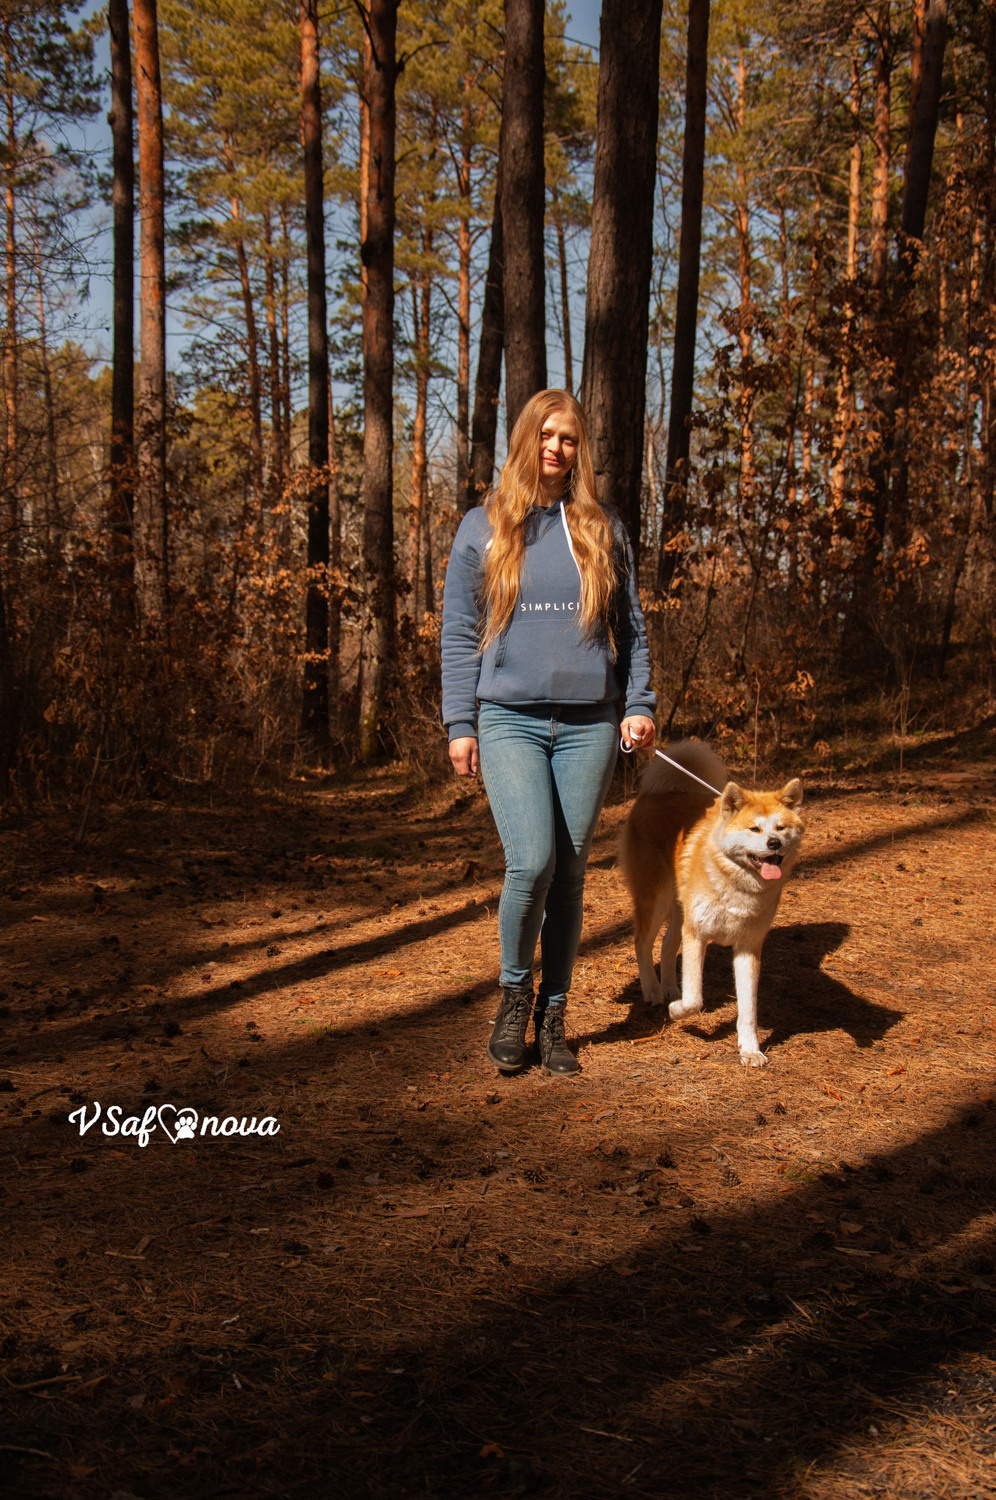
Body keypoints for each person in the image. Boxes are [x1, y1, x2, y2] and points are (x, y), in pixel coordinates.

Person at [441, 388, 656, 1076]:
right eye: (546, 435)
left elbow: (633, 629)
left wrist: (639, 701)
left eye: (568, 438)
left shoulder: (601, 527)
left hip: (590, 722)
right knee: (530, 862)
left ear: (578, 449)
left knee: (568, 876)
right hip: (508, 719)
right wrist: (459, 722)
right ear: (526, 440)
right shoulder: (483, 526)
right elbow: (458, 634)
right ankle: (513, 994)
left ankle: (554, 1014)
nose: (556, 449)